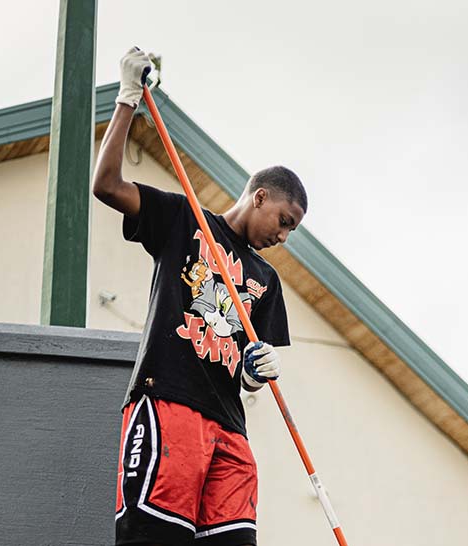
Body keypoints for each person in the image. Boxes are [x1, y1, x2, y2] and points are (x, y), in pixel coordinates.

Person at [92, 47, 308, 546]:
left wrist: (256, 372)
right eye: (284, 221)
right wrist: (128, 99)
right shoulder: (185, 221)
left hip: (230, 430)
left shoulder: (265, 280)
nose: (284, 236)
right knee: (153, 538)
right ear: (260, 197)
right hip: (169, 403)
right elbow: (106, 185)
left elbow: (249, 378)